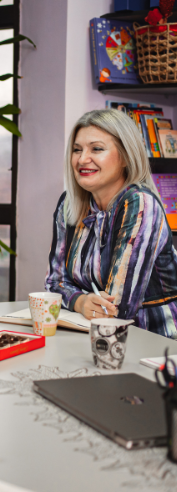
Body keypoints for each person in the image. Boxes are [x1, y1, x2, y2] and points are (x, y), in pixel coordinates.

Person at [45, 109, 177, 339]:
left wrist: (80, 300)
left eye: (96, 149)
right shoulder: (69, 203)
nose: (82, 159)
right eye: (77, 150)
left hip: (156, 342)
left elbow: (116, 307)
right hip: (91, 335)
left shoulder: (140, 204)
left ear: (125, 157)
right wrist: (81, 301)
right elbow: (54, 284)